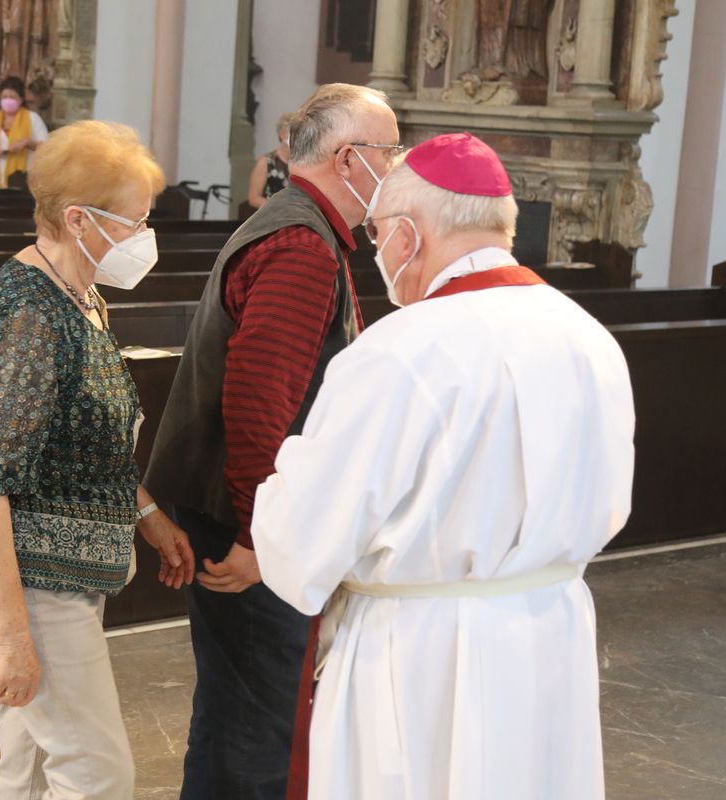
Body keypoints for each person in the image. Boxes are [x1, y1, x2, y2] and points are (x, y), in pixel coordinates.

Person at [251, 132, 635, 799]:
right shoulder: (586, 336)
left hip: (418, 654)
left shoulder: (398, 351)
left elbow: (305, 541)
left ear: (406, 236)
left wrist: (284, 479)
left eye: (376, 234)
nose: (378, 250)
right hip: (549, 631)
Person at [143, 83, 402, 800]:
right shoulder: (300, 245)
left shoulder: (298, 225)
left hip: (238, 508)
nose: (398, 163)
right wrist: (264, 539)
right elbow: (258, 406)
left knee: (237, 706)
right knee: (260, 719)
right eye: (391, 149)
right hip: (245, 517)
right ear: (353, 159)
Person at [0, 120, 196, 799]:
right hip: (30, 583)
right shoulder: (30, 318)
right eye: (135, 222)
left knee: (23, 770)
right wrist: (13, 636)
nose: (145, 237)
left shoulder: (80, 294)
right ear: (78, 218)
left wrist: (146, 514)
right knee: (96, 772)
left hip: (60, 575)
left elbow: (90, 442)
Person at [0, 75, 48, 189]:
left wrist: (28, 143)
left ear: (21, 99)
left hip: (23, 180)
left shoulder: (32, 118)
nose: (8, 100)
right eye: (5, 97)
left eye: (12, 97)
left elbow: (48, 148)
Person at [246, 111, 295, 210]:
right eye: (295, 132)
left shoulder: (304, 163)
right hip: (273, 219)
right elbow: (253, 198)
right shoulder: (266, 162)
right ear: (282, 134)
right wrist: (281, 208)